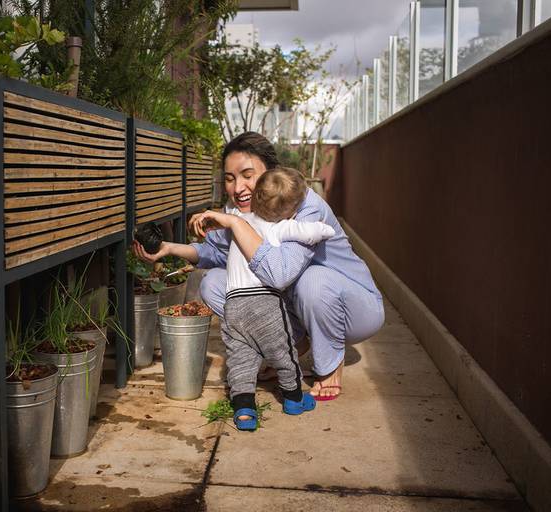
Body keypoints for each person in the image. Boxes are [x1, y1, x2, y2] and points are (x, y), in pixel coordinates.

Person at [132, 132, 384, 400]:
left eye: (247, 175)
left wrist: (236, 224)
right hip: (301, 306)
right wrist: (169, 248)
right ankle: (288, 346)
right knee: (215, 283)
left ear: (270, 173)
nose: (238, 187)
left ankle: (330, 362)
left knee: (313, 279)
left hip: (354, 309)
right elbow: (216, 253)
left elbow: (280, 273)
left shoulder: (304, 204)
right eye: (230, 179)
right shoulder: (238, 211)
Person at [197, 167, 335, 430]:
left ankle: (245, 410)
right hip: (265, 302)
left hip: (234, 303)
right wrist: (325, 230)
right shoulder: (280, 227)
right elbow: (314, 232)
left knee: (241, 357)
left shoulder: (238, 221)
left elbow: (217, 234)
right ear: (288, 210)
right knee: (283, 352)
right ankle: (294, 398)